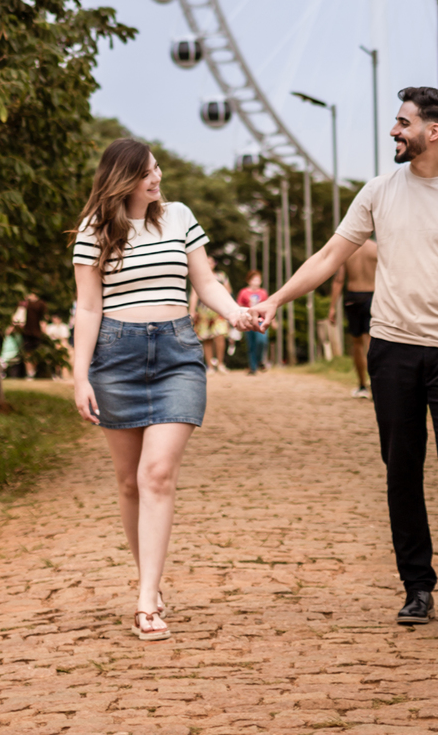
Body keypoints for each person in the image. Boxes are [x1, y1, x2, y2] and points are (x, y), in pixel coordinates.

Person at [253, 86, 438, 634]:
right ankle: (417, 588)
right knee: (402, 469)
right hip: (393, 349)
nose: (394, 132)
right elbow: (330, 255)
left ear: (432, 132)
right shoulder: (378, 192)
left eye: (402, 123)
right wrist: (276, 298)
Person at [72, 136, 254, 641]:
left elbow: (207, 282)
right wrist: (80, 376)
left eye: (157, 170)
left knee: (156, 474)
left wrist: (235, 313)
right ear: (123, 178)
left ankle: (147, 600)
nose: (157, 179)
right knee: (129, 481)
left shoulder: (177, 216)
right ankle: (147, 579)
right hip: (116, 358)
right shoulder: (93, 231)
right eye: (148, 172)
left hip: (177, 354)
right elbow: (87, 307)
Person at [330, 237, 378, 397]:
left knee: (357, 345)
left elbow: (339, 280)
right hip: (374, 296)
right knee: (373, 343)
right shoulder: (376, 248)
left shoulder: (348, 249)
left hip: (353, 298)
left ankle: (362, 385)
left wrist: (332, 307)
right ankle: (376, 385)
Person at [191, 269, 232, 371]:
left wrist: (230, 308)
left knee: (220, 336)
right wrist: (192, 310)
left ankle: (220, 364)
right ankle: (210, 366)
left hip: (219, 311)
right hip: (204, 313)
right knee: (206, 338)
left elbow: (228, 292)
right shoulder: (198, 276)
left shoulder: (221, 276)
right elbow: (194, 295)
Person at [237, 271, 270, 375]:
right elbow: (239, 306)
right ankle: (253, 368)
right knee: (251, 345)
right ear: (249, 281)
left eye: (259, 279)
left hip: (261, 320)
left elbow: (268, 307)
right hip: (248, 321)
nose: (257, 282)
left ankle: (260, 360)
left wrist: (272, 320)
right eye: (255, 279)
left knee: (262, 341)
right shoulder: (243, 292)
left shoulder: (263, 293)